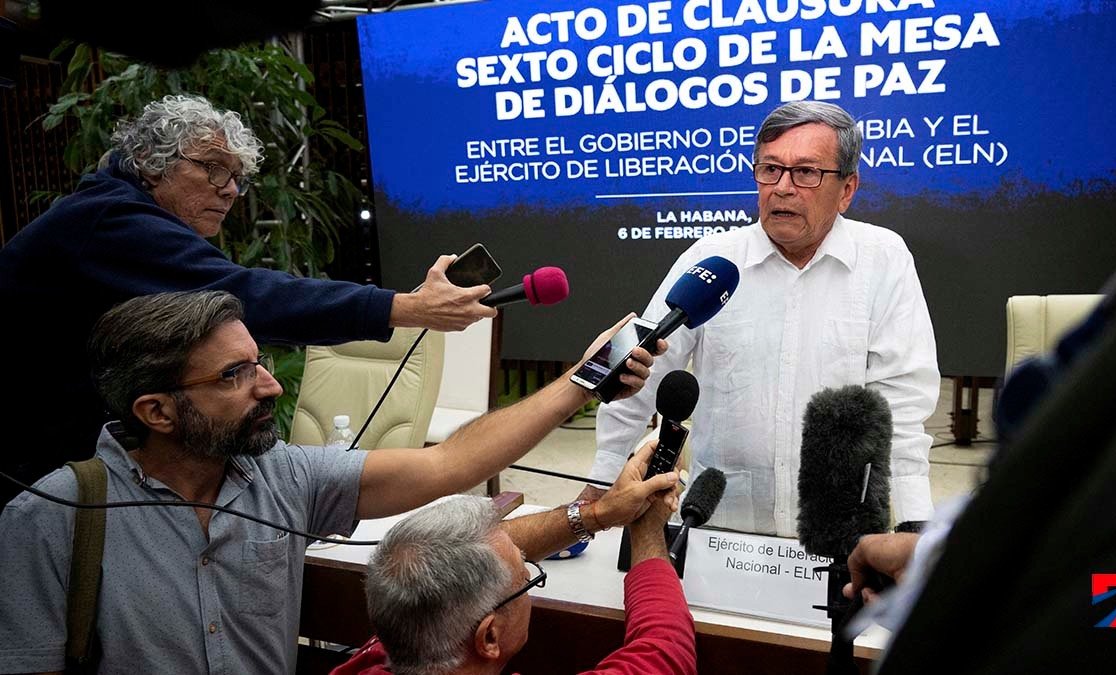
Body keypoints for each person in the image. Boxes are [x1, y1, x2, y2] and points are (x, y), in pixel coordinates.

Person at [0, 290, 664, 674]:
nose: (271, 384)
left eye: (258, 362)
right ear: (156, 410)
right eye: (235, 375)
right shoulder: (54, 516)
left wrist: (583, 378)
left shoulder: (283, 474)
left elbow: (448, 465)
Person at [0, 93, 495, 503]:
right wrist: (405, 308)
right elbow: (243, 295)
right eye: (214, 169)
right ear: (153, 167)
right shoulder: (109, 221)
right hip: (29, 468)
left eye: (236, 177)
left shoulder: (110, 215)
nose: (231, 190)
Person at [582, 101, 940, 535]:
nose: (782, 188)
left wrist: (910, 524)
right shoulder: (709, 262)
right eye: (770, 169)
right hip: (719, 521)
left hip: (839, 529)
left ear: (847, 189)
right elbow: (639, 377)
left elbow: (900, 406)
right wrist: (598, 491)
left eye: (806, 172)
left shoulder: (883, 260)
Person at [334, 455, 694, 675]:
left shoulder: (393, 646)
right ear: (489, 636)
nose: (525, 568)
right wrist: (647, 531)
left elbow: (461, 548)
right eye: (525, 577)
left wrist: (599, 513)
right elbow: (664, 650)